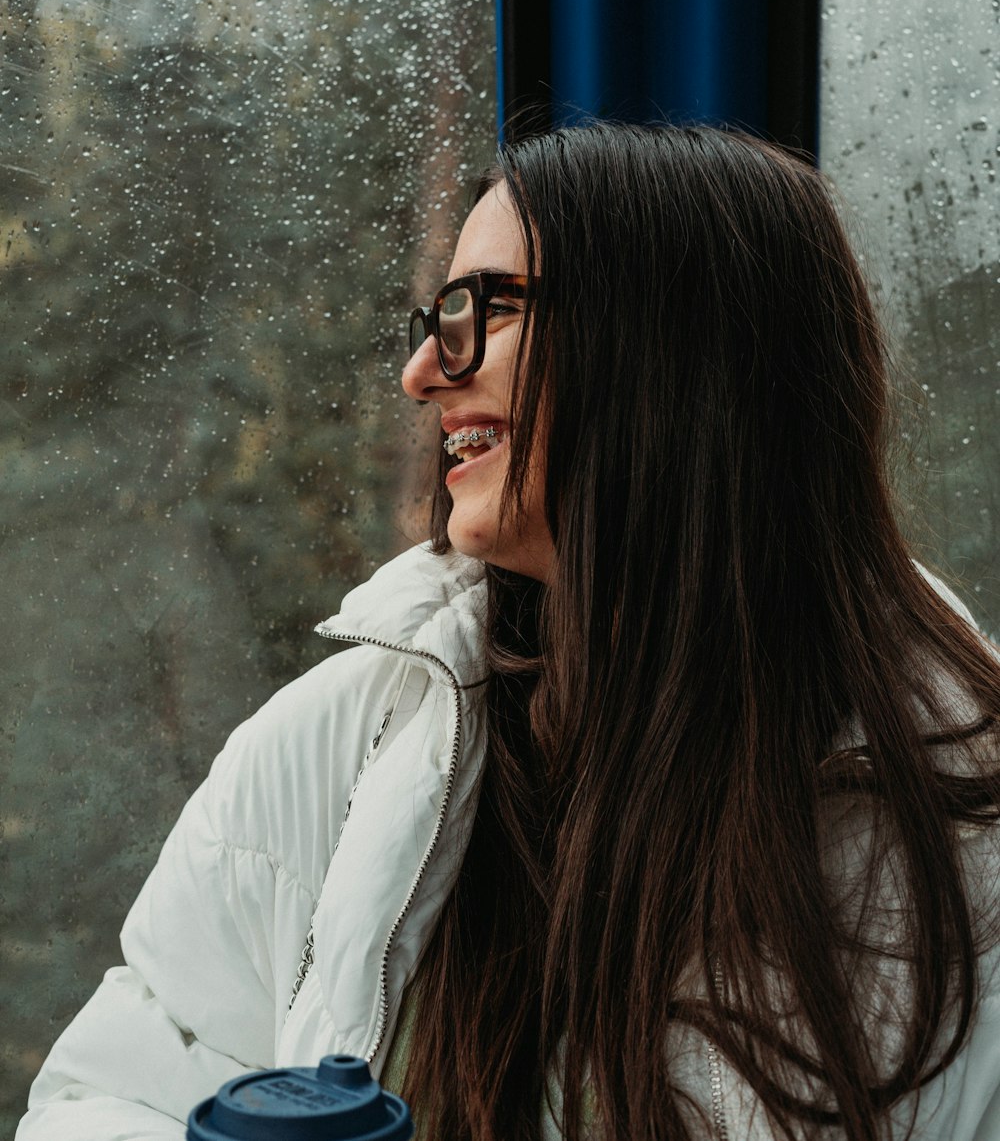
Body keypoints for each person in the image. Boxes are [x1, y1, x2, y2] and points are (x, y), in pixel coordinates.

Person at [17, 122, 1000, 1141]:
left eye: (472, 311)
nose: (420, 376)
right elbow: (107, 1097)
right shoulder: (343, 737)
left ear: (665, 345)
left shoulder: (963, 841)